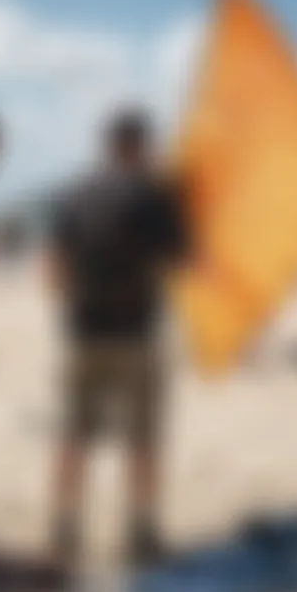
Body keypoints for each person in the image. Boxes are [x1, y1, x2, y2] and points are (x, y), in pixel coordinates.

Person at [48, 108, 189, 566]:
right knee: (142, 437)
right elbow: (181, 261)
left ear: (107, 146)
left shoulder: (74, 193)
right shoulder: (154, 196)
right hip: (136, 333)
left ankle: (65, 527)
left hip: (83, 332)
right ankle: (140, 530)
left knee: (74, 435)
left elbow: (53, 267)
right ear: (143, 146)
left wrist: (72, 309)